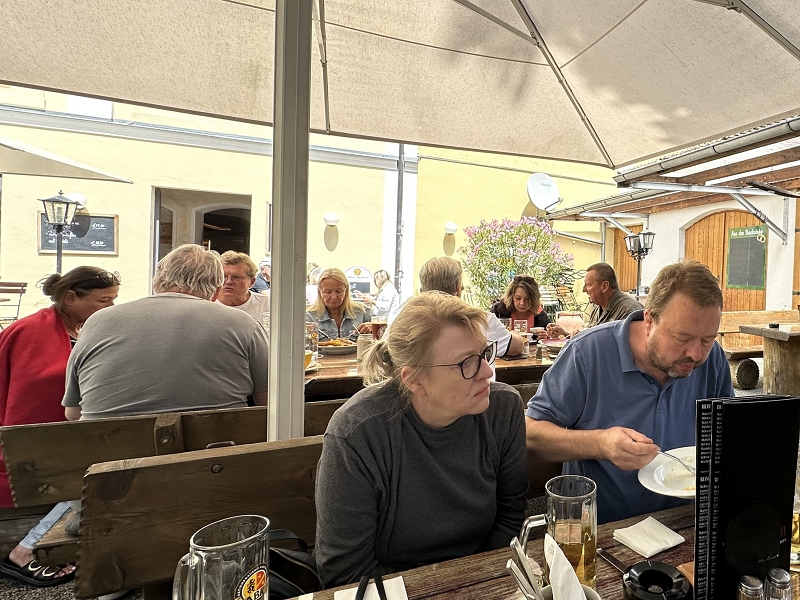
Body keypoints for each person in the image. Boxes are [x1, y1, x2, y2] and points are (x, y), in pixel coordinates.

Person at [314, 292, 528, 587]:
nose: (487, 371)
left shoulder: (503, 409)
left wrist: (475, 584)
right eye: (466, 363)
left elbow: (510, 516)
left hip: (480, 580)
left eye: (484, 353)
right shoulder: (358, 432)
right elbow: (345, 572)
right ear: (413, 379)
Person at [526, 260, 734, 524]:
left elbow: (729, 433)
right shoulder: (587, 353)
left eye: (707, 339)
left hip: (685, 522)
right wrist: (600, 443)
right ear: (649, 320)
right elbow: (531, 433)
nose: (695, 354)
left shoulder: (712, 359)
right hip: (601, 528)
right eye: (682, 338)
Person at [0, 267, 119, 588]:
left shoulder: (81, 329)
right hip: (32, 442)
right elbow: (26, 408)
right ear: (70, 298)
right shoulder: (31, 332)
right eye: (103, 301)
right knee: (98, 470)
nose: (111, 307)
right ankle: (27, 550)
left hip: (66, 432)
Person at [63, 244, 269, 420]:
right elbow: (268, 402)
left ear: (156, 282)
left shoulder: (97, 321)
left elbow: (73, 412)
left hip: (109, 451)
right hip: (213, 451)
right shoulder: (243, 323)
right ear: (216, 291)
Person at [418, 257, 524, 358]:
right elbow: (517, 346)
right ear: (458, 288)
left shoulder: (411, 324)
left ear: (421, 291)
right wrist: (513, 333)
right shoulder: (482, 320)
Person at [546, 262, 642, 338]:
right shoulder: (598, 307)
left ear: (604, 286)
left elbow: (627, 349)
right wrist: (565, 334)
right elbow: (592, 339)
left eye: (588, 285)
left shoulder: (631, 311)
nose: (584, 290)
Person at [306, 268, 372, 340]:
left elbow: (380, 333)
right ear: (319, 292)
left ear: (346, 290)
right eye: (328, 292)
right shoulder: (309, 317)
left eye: (339, 291)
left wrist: (373, 327)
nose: (334, 297)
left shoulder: (362, 312)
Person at [216, 251, 270, 322]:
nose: (228, 282)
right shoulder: (207, 304)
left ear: (252, 282)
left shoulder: (267, 305)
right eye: (223, 276)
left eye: (236, 277)